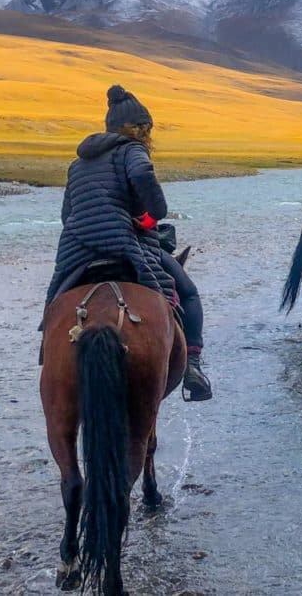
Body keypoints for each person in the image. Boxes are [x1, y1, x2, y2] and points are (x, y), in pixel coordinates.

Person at [45, 85, 213, 401]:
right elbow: (149, 191)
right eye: (147, 129)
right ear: (139, 128)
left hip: (79, 248)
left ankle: (46, 352)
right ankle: (192, 366)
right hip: (127, 243)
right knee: (189, 293)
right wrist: (150, 218)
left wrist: (88, 231)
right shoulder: (132, 150)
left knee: (55, 300)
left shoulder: (77, 163)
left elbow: (67, 215)